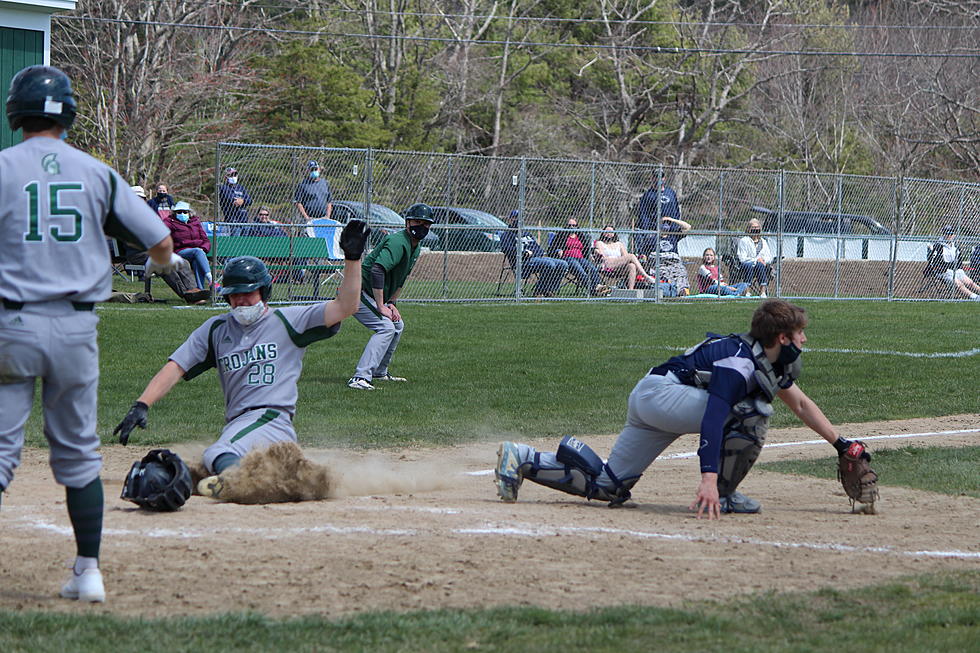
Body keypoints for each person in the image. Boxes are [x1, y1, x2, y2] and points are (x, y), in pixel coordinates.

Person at [0, 65, 183, 603]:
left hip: (12, 322)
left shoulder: (3, 167)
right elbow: (161, 242)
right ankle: (88, 572)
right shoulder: (95, 172)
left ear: (17, 112)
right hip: (77, 325)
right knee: (79, 454)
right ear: (69, 114)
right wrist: (159, 263)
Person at [494, 299, 861, 519]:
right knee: (749, 411)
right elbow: (715, 416)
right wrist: (709, 479)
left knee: (609, 486)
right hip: (664, 396)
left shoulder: (762, 359)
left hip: (657, 399)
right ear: (782, 338)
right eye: (800, 333)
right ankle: (725, 494)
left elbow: (800, 403)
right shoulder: (740, 363)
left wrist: (841, 444)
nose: (804, 339)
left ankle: (521, 458)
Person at [113, 221, 371, 498]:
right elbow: (177, 366)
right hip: (241, 425)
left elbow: (347, 306)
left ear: (264, 291)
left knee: (218, 453)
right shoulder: (216, 329)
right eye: (234, 295)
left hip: (271, 418)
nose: (241, 301)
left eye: (248, 293)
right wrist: (142, 404)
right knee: (205, 464)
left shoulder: (288, 320)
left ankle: (241, 484)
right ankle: (266, 482)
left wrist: (352, 260)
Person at [347, 204, 433, 390]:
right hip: (356, 291)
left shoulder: (415, 246)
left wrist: (391, 303)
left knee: (397, 325)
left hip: (367, 293)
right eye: (417, 221)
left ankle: (379, 372)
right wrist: (381, 305)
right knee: (385, 327)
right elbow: (378, 270)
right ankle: (360, 377)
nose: (422, 226)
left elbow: (401, 277)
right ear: (408, 222)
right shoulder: (398, 242)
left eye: (426, 224)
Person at [499, 210, 569, 298]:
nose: (518, 220)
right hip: (522, 263)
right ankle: (538, 291)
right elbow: (507, 249)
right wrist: (524, 253)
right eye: (515, 217)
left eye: (520, 218)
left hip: (536, 259)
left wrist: (532, 252)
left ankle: (550, 290)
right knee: (549, 264)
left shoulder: (527, 234)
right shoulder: (507, 234)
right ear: (510, 220)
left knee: (563, 264)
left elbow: (539, 250)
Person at [547, 218, 610, 296]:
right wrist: (558, 250)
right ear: (566, 226)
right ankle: (594, 288)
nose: (571, 227)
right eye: (569, 225)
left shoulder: (580, 235)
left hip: (580, 258)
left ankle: (599, 286)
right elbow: (551, 249)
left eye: (574, 225)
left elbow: (587, 247)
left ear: (577, 226)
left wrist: (594, 251)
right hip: (568, 259)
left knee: (592, 268)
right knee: (580, 271)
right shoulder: (561, 235)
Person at [163, 201, 212, 292]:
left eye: (185, 212)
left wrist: (203, 249)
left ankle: (199, 290)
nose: (182, 214)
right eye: (179, 212)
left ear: (189, 213)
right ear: (175, 213)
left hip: (197, 252)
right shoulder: (170, 222)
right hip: (180, 251)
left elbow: (206, 240)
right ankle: (211, 279)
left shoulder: (196, 223)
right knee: (197, 252)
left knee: (197, 260)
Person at [593, 226, 658, 290]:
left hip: (619, 266)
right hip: (607, 264)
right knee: (631, 256)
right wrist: (597, 252)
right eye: (607, 232)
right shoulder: (600, 243)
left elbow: (625, 256)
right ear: (603, 233)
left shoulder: (619, 244)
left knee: (631, 265)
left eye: (611, 232)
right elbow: (601, 255)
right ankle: (646, 276)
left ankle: (630, 291)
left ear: (614, 234)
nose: (609, 234)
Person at [926, 225, 980, 300]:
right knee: (958, 283)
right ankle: (974, 297)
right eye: (946, 234)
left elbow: (959, 261)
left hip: (956, 270)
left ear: (954, 235)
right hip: (943, 271)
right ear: (943, 234)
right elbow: (934, 262)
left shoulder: (955, 246)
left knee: (970, 282)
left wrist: (957, 268)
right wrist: (949, 267)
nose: (949, 236)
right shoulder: (938, 246)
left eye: (951, 234)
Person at [736, 218, 774, 298]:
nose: (755, 229)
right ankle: (747, 292)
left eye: (757, 227)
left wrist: (763, 260)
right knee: (749, 265)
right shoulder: (744, 241)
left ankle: (763, 292)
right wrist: (756, 260)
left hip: (760, 266)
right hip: (747, 265)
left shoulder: (763, 242)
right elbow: (742, 258)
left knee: (760, 265)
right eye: (753, 227)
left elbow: (769, 257)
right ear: (749, 229)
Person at [218, 167, 253, 236]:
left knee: (245, 242)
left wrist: (243, 201)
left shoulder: (241, 187)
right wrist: (243, 200)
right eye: (231, 175)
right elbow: (232, 200)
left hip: (244, 220)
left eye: (235, 175)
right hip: (233, 220)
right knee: (235, 241)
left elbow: (250, 201)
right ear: (226, 177)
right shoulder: (223, 188)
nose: (233, 177)